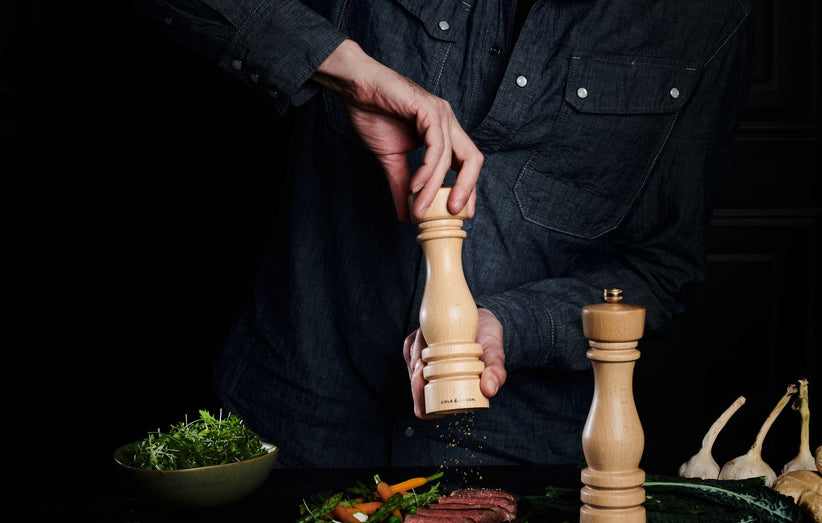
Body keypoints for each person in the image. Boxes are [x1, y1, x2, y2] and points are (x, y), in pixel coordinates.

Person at [136, 0, 754, 468]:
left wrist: (516, 325)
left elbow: (659, 269)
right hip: (291, 418)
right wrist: (341, 67)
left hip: (519, 465)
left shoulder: (705, 18)